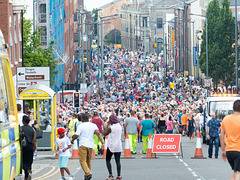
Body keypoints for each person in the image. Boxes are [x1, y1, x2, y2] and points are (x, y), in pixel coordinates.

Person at [71, 113, 104, 180]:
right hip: (90, 145)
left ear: (82, 119)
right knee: (88, 160)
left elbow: (76, 135)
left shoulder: (81, 126)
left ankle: (88, 173)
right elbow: (98, 133)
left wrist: (72, 140)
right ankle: (86, 176)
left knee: (82, 160)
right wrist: (102, 142)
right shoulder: (93, 125)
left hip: (83, 144)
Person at [220, 100, 240, 180]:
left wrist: (223, 150)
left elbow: (221, 136)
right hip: (238, 149)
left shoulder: (226, 119)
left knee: (235, 172)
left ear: (233, 108)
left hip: (229, 150)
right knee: (238, 172)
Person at [103, 114, 122, 180]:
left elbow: (105, 133)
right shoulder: (119, 126)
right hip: (118, 145)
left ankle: (110, 175)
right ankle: (119, 176)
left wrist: (108, 124)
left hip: (111, 145)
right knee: (118, 161)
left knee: (108, 160)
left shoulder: (111, 127)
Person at [21, 115, 36, 180]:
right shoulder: (32, 129)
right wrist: (34, 147)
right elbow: (34, 140)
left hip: (23, 147)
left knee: (24, 161)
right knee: (29, 160)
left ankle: (26, 174)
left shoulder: (21, 128)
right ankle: (28, 172)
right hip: (30, 146)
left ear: (23, 121)